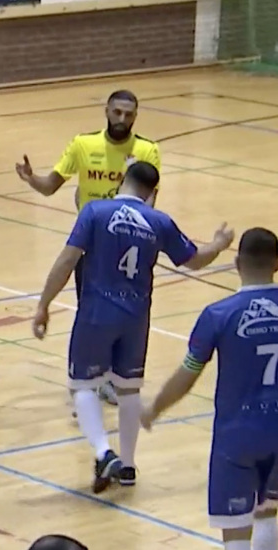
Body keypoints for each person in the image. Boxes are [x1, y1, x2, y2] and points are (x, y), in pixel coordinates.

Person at [32, 161, 233, 493]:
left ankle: (103, 451)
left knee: (82, 386)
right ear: (153, 193)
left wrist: (43, 305)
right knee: (129, 389)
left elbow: (67, 260)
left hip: (97, 311)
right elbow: (196, 259)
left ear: (122, 181)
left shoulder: (95, 211)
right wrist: (220, 244)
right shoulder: (159, 222)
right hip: (136, 317)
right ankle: (128, 465)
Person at [17, 90, 160, 409]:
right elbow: (51, 186)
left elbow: (150, 202)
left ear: (136, 116)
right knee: (93, 312)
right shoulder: (84, 145)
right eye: (117, 112)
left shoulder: (147, 150)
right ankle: (95, 378)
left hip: (128, 247)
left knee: (126, 314)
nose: (122, 119)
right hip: (92, 245)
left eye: (129, 114)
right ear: (107, 111)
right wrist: (31, 179)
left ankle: (113, 377)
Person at [141, 227, 278, 550]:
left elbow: (189, 373)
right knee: (269, 509)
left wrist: (155, 408)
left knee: (236, 529)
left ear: (236, 263)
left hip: (237, 435)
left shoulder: (218, 315)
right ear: (276, 264)